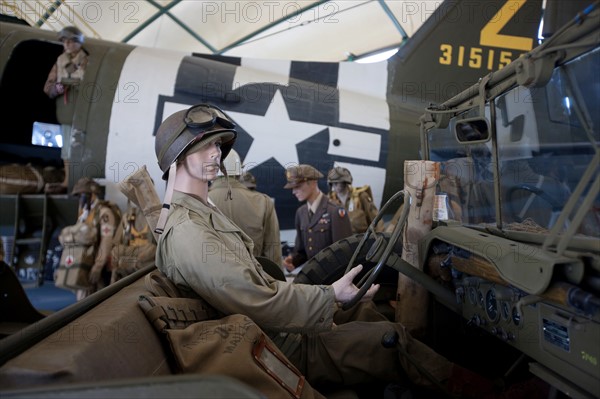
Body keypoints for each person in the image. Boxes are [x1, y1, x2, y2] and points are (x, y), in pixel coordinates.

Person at [153, 104, 499, 398]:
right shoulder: (188, 230)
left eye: (218, 146)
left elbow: (260, 283)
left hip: (271, 330)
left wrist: (334, 298)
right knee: (388, 339)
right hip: (274, 346)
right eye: (205, 146)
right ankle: (489, 393)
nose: (216, 154)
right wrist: (329, 295)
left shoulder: (203, 213)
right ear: (178, 157)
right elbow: (252, 298)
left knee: (365, 312)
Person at [209, 149, 282, 266]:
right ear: (239, 171)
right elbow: (273, 255)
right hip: (253, 280)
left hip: (210, 281)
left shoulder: (197, 202)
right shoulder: (263, 202)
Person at [43, 26, 89, 194]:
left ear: (78, 43)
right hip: (67, 110)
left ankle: (81, 181)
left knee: (82, 148)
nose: (67, 44)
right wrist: (57, 89)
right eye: (64, 41)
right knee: (66, 150)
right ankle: (68, 181)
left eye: (70, 41)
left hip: (83, 111)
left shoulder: (87, 61)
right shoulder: (59, 61)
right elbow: (48, 88)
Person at [282, 164, 352, 272]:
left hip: (332, 279)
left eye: (298, 186)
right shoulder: (301, 213)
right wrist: (293, 262)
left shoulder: (335, 211)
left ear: (313, 183)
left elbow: (344, 254)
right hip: (313, 277)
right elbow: (302, 252)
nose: (293, 192)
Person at [69, 177, 120, 300]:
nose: (81, 198)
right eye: (79, 195)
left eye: (84, 195)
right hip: (85, 261)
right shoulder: (84, 214)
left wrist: (98, 266)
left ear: (92, 194)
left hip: (99, 264)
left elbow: (106, 242)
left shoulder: (104, 213)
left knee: (97, 301)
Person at [327, 166, 384, 233]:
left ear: (345, 182)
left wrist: (380, 238)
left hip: (360, 238)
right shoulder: (330, 200)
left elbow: (376, 218)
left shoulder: (361, 196)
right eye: (332, 183)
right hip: (339, 239)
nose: (335, 185)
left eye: (337, 182)